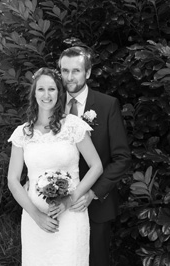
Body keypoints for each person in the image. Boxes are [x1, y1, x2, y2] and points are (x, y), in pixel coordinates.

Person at [7, 67, 103, 265]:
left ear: (59, 93)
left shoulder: (74, 125)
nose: (46, 95)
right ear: (34, 93)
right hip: (35, 220)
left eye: (52, 89)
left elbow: (96, 166)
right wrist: (37, 216)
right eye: (41, 89)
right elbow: (13, 180)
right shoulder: (22, 133)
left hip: (71, 217)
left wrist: (68, 201)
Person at [59, 46, 131, 266]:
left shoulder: (107, 105)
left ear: (88, 73)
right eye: (64, 71)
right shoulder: (50, 104)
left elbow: (122, 158)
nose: (69, 77)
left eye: (76, 71)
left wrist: (93, 193)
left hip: (95, 206)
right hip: (58, 204)